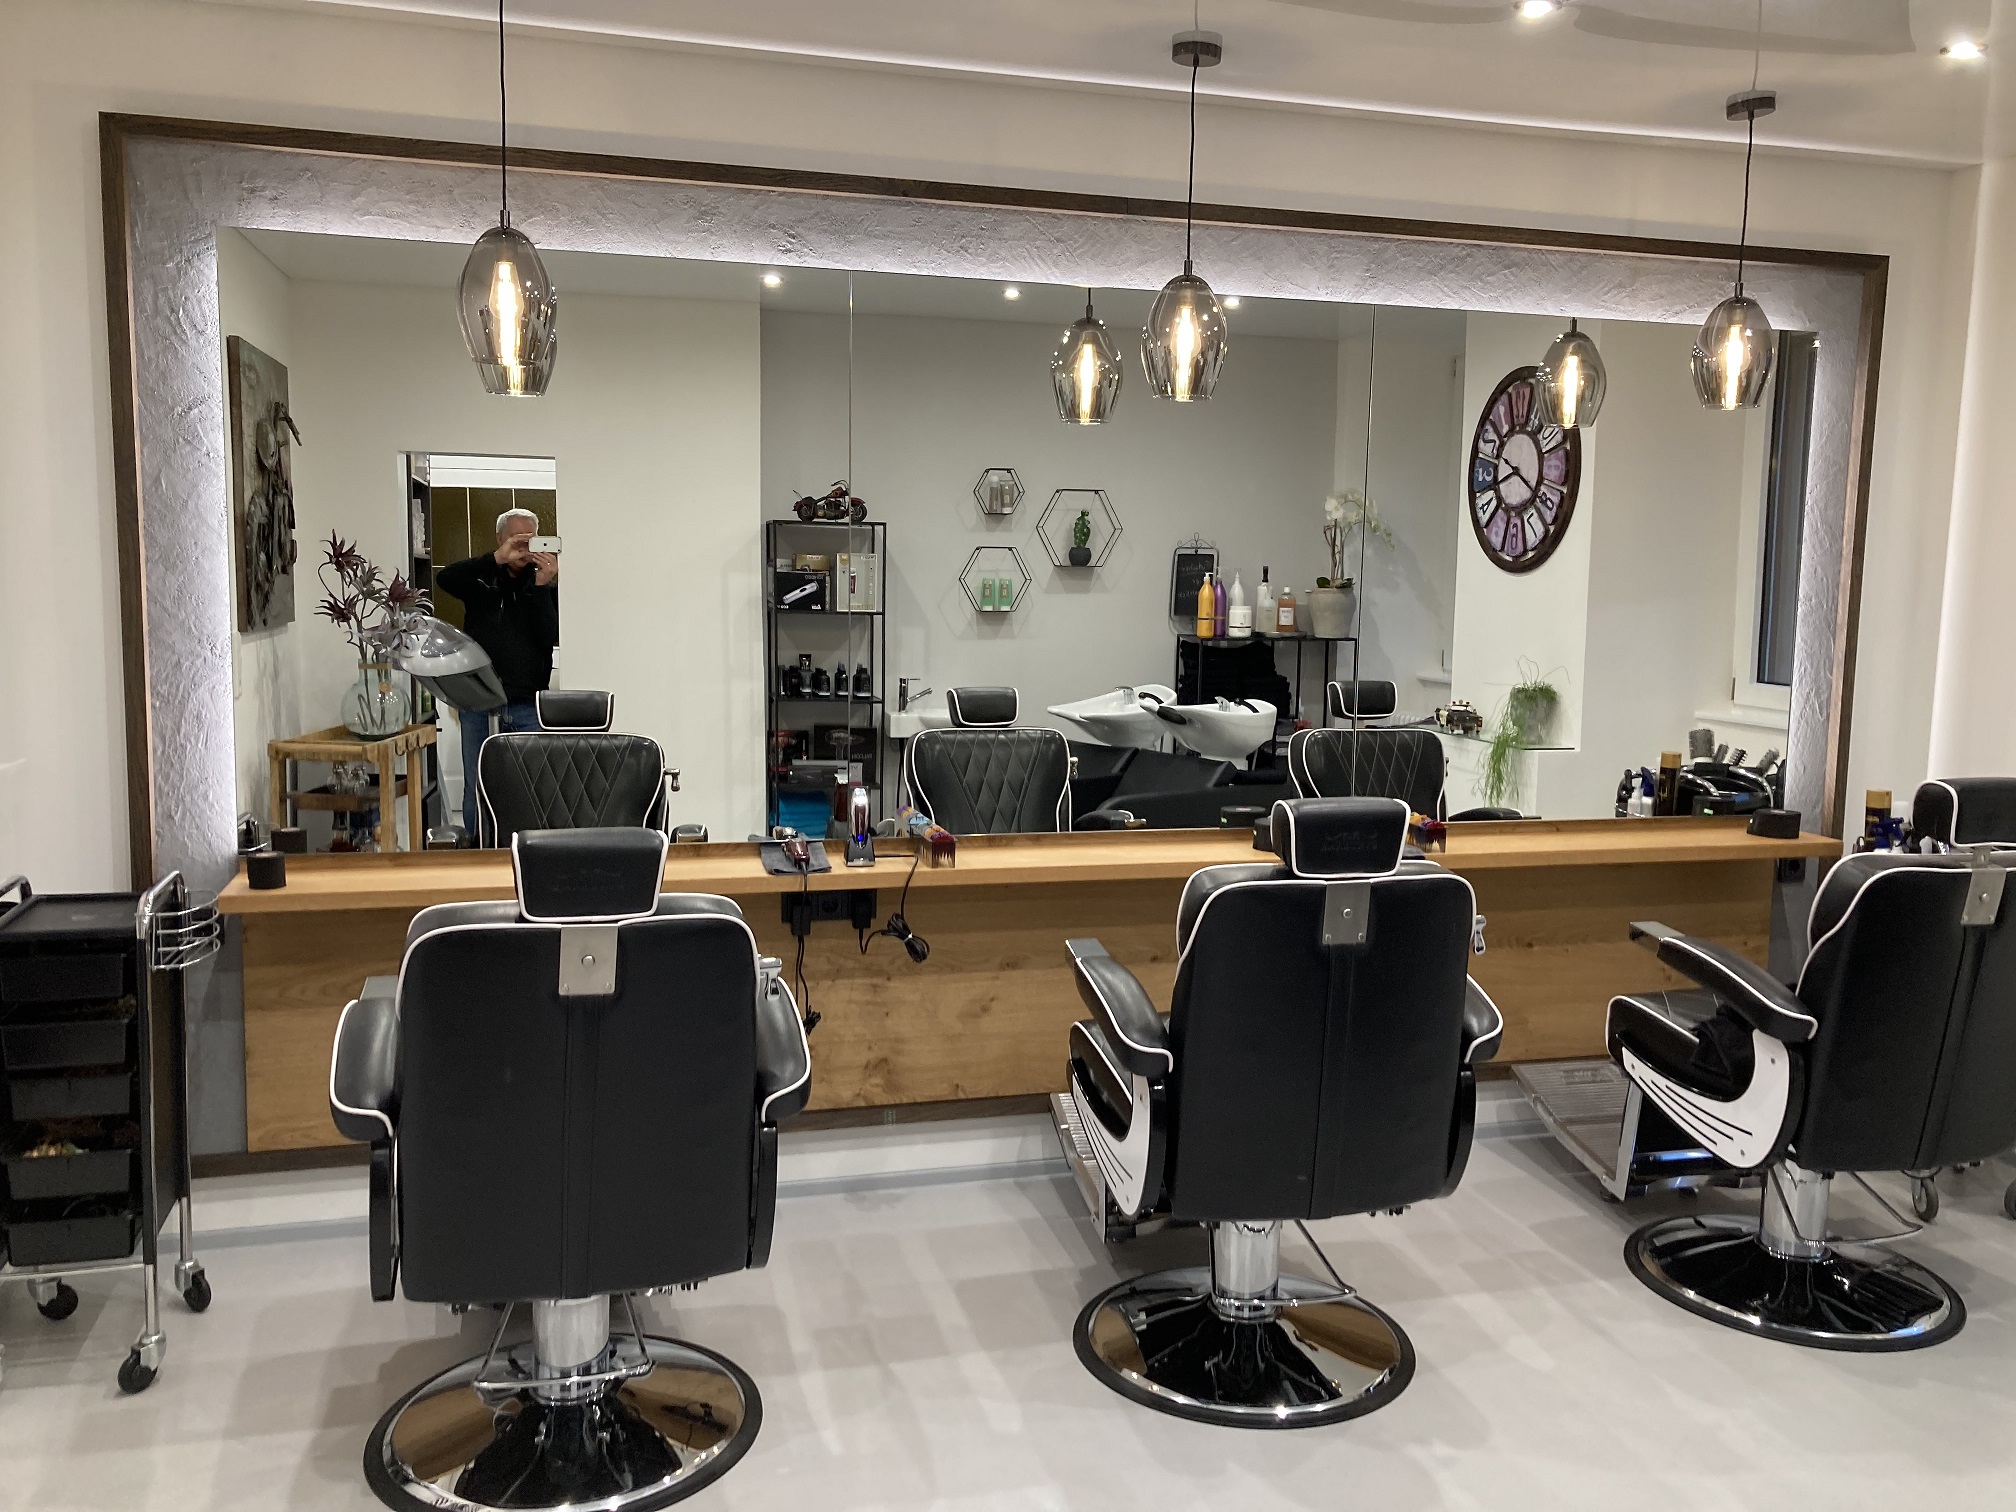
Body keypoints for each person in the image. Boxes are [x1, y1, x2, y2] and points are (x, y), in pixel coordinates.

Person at [435, 508, 559, 836]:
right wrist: (496, 559)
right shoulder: (480, 578)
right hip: (478, 702)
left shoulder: (545, 585)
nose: (523, 548)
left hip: (528, 703)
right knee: (477, 784)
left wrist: (542, 586)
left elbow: (549, 635)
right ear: (500, 539)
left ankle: (529, 850)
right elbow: (445, 579)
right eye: (516, 539)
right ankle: (477, 852)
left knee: (531, 786)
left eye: (530, 540)